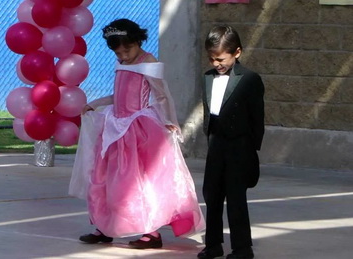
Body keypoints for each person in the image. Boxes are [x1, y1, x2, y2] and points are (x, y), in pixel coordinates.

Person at [69, 18, 205, 249]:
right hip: (116, 126)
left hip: (138, 128)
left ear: (138, 40)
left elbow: (161, 95)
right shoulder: (121, 61)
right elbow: (118, 94)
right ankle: (105, 226)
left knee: (139, 182)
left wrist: (169, 120)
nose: (123, 55)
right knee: (105, 179)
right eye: (118, 51)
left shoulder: (148, 61)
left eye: (127, 49)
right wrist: (96, 103)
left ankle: (151, 233)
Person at [197, 25, 265, 259]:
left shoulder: (249, 79)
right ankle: (213, 244)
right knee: (211, 195)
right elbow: (209, 111)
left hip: (239, 146)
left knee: (236, 198)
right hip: (216, 144)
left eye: (220, 58)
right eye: (212, 58)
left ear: (237, 52)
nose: (216, 63)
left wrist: (251, 149)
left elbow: (258, 117)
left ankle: (242, 248)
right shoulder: (207, 77)